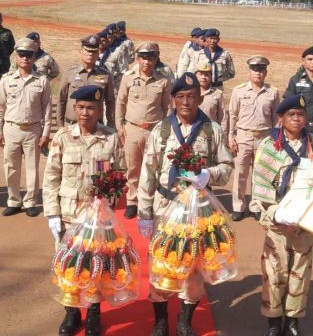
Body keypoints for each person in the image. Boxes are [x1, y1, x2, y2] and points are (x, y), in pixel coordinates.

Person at [137, 73, 233, 336]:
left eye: (191, 96)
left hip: (198, 211)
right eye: (180, 97)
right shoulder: (162, 130)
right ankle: (160, 320)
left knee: (194, 266)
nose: (186, 102)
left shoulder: (212, 130)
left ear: (200, 99)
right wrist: (144, 213)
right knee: (162, 264)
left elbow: (227, 167)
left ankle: (184, 319)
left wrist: (209, 175)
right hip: (165, 208)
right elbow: (148, 172)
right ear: (173, 100)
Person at [43, 85, 124, 336]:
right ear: (74, 108)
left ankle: (93, 314)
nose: (85, 113)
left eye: (90, 108)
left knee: (96, 266)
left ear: (99, 110)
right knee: (69, 266)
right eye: (80, 107)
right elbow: (51, 178)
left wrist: (109, 200)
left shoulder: (110, 138)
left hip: (98, 219)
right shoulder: (62, 137)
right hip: (69, 215)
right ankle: (71, 313)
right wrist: (52, 213)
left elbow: (120, 175)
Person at [250, 94, 313, 336]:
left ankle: (292, 321)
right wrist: (276, 214)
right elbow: (260, 183)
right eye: (291, 114)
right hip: (277, 221)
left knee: (300, 271)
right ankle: (273, 322)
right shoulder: (269, 145)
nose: (296, 119)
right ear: (281, 118)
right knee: (274, 271)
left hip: (304, 221)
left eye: (301, 114)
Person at [0, 38, 53, 217]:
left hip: (33, 130)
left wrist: (46, 133)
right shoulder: (6, 80)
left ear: (34, 57)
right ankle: (13, 200)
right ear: (16, 57)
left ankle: (30, 201)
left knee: (32, 168)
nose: (25, 58)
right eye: (21, 54)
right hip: (11, 128)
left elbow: (47, 109)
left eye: (29, 55)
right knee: (11, 167)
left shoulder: (42, 81)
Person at [115, 42, 173, 219]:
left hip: (154, 131)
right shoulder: (128, 78)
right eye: (143, 57)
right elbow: (120, 102)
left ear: (156, 59)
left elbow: (168, 107)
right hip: (132, 129)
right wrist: (119, 126)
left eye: (151, 58)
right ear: (137, 58)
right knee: (133, 168)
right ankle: (132, 201)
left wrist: (165, 130)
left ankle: (150, 200)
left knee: (153, 167)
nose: (147, 61)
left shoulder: (163, 81)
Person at [227, 55, 280, 221]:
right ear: (249, 72)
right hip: (243, 136)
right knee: (240, 174)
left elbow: (276, 118)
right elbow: (232, 115)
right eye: (255, 69)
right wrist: (231, 137)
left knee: (260, 174)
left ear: (266, 72)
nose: (258, 73)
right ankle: (238, 206)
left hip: (264, 137)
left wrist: (276, 139)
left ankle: (256, 206)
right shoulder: (239, 91)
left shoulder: (272, 92)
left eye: (261, 70)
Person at [58, 35, 116, 128]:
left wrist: (111, 124)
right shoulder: (69, 73)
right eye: (88, 51)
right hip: (71, 125)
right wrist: (60, 125)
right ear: (81, 52)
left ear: (98, 54)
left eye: (94, 52)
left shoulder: (105, 75)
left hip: (96, 127)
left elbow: (110, 102)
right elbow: (61, 100)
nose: (90, 54)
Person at [195, 61, 227, 137]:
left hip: (212, 133)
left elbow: (222, 118)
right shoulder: (190, 93)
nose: (203, 77)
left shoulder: (218, 94)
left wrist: (223, 136)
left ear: (211, 76)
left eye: (207, 74)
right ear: (195, 76)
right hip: (193, 133)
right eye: (200, 74)